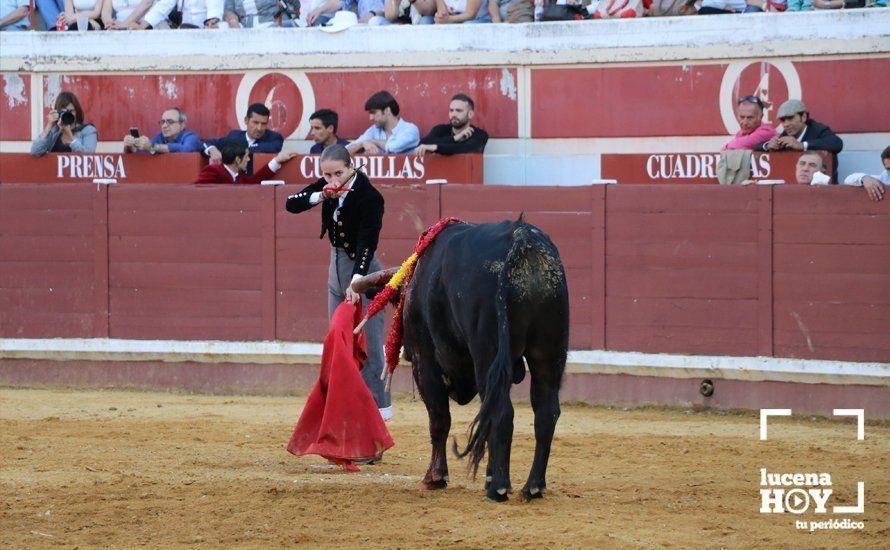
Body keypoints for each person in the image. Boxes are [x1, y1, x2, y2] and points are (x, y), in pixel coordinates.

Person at [284, 145, 392, 421]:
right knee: (340, 344)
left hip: (364, 272)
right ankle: (345, 416)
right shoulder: (328, 184)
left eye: (338, 173)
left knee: (369, 345)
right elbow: (291, 203)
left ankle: (377, 418)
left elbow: (368, 244)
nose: (333, 180)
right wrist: (321, 194)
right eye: (327, 174)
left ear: (352, 166)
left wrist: (357, 282)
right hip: (336, 268)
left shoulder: (370, 197)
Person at [756, 99, 843, 183]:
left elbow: (837, 144)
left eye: (790, 118)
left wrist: (801, 145)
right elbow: (756, 147)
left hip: (824, 191)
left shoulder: (817, 129)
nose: (786, 124)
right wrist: (768, 145)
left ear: (803, 117)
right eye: (783, 120)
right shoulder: (786, 134)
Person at [203, 102, 284, 174]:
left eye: (263, 124)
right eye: (255, 122)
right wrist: (212, 149)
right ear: (246, 120)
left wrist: (236, 150)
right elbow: (205, 144)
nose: (259, 128)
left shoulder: (274, 137)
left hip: (259, 185)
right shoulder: (234, 136)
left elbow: (269, 148)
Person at [415, 93, 489, 158]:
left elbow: (466, 149)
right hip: (439, 173)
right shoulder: (440, 130)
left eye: (458, 110)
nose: (453, 114)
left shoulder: (480, 134)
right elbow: (422, 143)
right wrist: (455, 138)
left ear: (470, 114)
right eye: (451, 110)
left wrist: (435, 147)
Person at [347, 91, 419, 155]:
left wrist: (372, 142)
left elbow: (394, 147)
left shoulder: (410, 129)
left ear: (387, 110)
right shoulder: (373, 130)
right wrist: (361, 144)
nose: (371, 118)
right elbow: (344, 151)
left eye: (373, 112)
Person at [193, 139, 297, 184]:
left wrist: (277, 161)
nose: (248, 159)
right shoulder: (213, 171)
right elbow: (195, 190)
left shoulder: (238, 176)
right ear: (238, 159)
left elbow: (255, 180)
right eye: (246, 156)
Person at [31, 92, 98, 156]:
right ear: (58, 112)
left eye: (71, 111)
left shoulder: (88, 130)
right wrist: (48, 126)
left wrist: (70, 135)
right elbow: (35, 151)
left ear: (77, 111)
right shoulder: (55, 131)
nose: (68, 114)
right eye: (64, 111)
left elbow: (89, 157)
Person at [123, 107, 202, 154]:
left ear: (182, 125)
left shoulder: (190, 137)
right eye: (163, 122)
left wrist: (153, 147)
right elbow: (145, 153)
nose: (164, 126)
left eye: (170, 122)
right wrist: (130, 147)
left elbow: (187, 149)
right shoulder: (160, 137)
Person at [131, 0, 223, 28]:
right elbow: (163, 6)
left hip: (206, 29)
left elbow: (214, 6)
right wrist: (143, 25)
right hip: (184, 31)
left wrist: (212, 21)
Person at [223, 0, 299, 27]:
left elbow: (296, 6)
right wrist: (233, 22)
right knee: (222, 27)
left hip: (272, 23)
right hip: (245, 27)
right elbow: (229, 11)